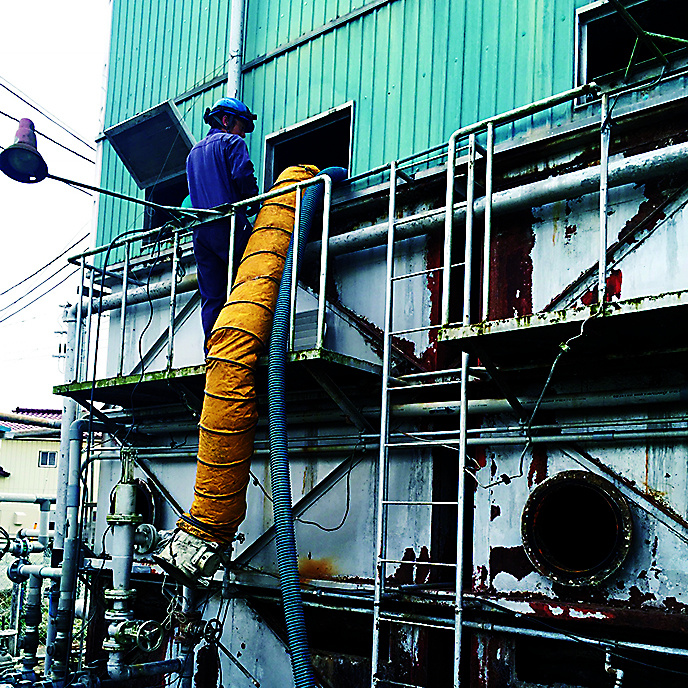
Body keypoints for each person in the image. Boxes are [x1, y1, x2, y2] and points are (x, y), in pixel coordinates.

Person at [186, 97, 260, 347]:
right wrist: (254, 201)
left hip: (201, 234)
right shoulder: (232, 142)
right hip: (228, 226)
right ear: (227, 120)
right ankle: (243, 343)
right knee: (249, 281)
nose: (243, 134)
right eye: (241, 126)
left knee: (212, 297)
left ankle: (213, 350)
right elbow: (242, 176)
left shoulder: (192, 154)